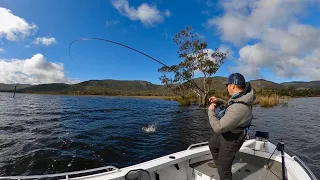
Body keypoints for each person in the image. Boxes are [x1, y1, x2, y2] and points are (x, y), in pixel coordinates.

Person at [207, 73, 255, 180]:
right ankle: (219, 163)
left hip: (233, 139)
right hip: (228, 132)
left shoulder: (239, 107)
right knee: (213, 143)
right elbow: (231, 106)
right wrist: (218, 101)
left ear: (232, 86)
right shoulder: (240, 97)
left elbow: (218, 127)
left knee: (224, 171)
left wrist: (211, 111)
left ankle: (222, 167)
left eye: (227, 85)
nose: (227, 87)